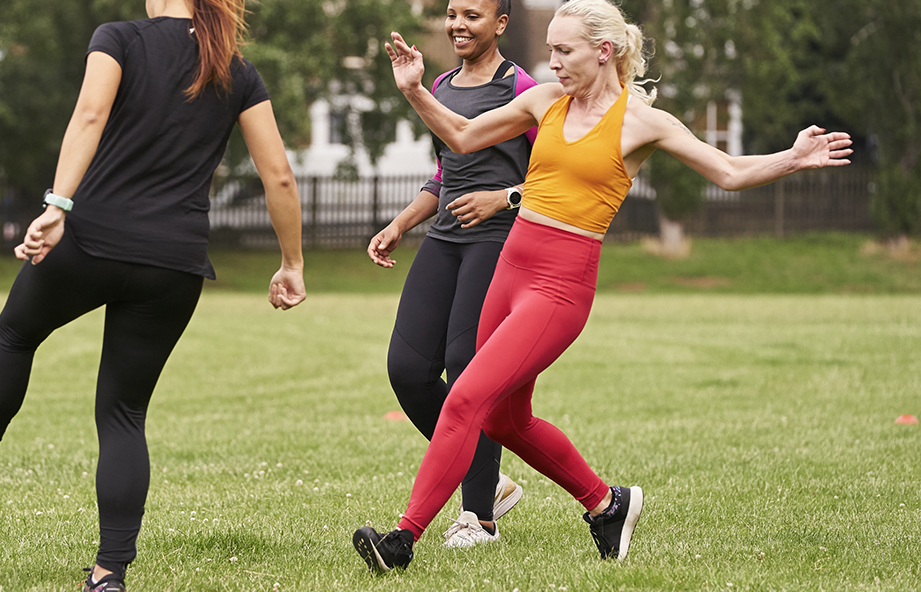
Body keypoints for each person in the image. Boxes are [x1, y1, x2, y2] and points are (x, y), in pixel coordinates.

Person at [354, 0, 851, 572]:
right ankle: (606, 504)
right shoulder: (545, 100)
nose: (552, 62)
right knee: (503, 420)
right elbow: (463, 137)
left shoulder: (641, 122)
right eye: (551, 51)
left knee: (465, 396)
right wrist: (416, 90)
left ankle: (401, 541)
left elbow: (729, 172)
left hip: (559, 287)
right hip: (510, 269)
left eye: (564, 51)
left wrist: (794, 157)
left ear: (604, 51)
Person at [0, 0, 307, 590]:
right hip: (173, 265)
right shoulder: (234, 67)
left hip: (91, 241)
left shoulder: (120, 38)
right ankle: (109, 575)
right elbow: (277, 173)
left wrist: (56, 205)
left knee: (16, 334)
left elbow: (88, 116)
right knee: (124, 414)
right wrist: (291, 263)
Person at [366, 0, 538, 549]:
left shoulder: (523, 88)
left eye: (474, 15)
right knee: (408, 368)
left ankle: (478, 517)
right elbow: (447, 172)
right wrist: (399, 224)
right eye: (452, 13)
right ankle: (488, 480)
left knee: (467, 368)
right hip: (444, 240)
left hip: (498, 242)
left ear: (501, 24)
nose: (459, 25)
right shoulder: (440, 84)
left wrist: (501, 198)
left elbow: (557, 179)